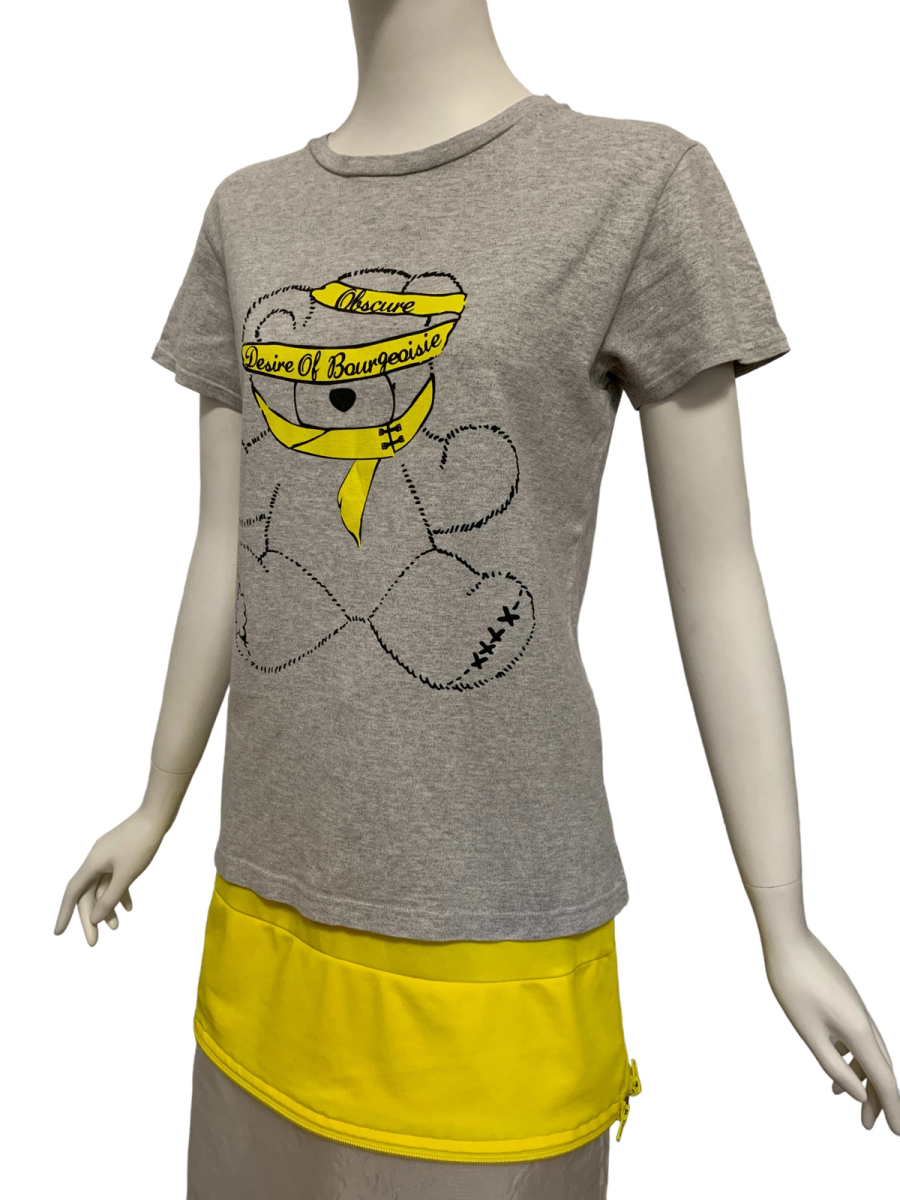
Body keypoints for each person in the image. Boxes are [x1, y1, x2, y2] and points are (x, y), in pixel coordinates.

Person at [54, 2, 900, 1198]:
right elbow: (221, 545)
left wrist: (783, 921)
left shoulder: (635, 186)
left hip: (495, 935)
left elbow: (717, 572)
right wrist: (156, 802)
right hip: (265, 927)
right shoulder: (246, 212)